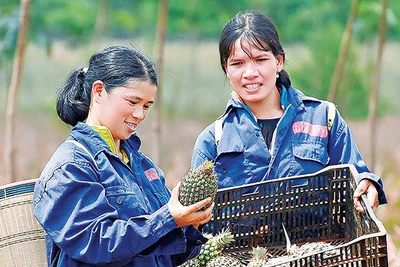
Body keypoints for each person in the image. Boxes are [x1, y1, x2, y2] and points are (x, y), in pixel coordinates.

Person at [191, 11, 387, 215]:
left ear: (278, 61)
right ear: (226, 68)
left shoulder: (323, 119)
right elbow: (195, 222)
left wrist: (368, 184)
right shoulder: (214, 140)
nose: (250, 73)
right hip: (243, 248)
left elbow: (356, 176)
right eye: (238, 63)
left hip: (320, 246)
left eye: (260, 60)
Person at [33, 45, 213, 267]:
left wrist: (190, 224)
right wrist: (168, 219)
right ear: (98, 91)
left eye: (147, 106)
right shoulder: (71, 165)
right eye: (132, 102)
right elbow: (97, 244)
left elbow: (167, 253)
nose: (139, 115)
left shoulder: (142, 164)